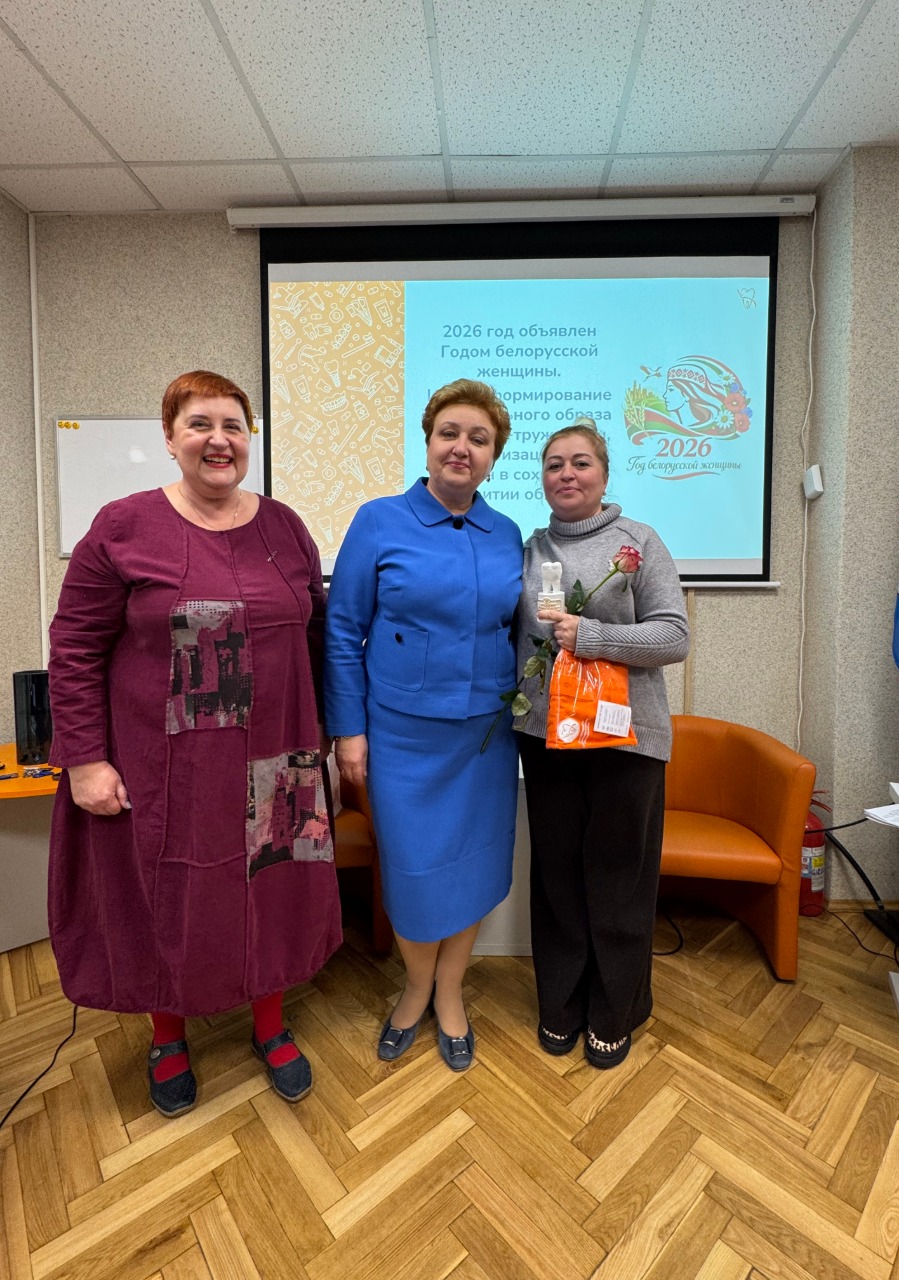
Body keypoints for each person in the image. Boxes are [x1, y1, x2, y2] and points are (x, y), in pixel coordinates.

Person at [47, 370, 342, 1117]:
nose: (219, 439)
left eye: (233, 425)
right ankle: (168, 1035)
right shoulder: (124, 525)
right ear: (170, 437)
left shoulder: (284, 527)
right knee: (168, 892)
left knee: (274, 884)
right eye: (200, 424)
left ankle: (270, 1024)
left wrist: (327, 737)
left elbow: (316, 634)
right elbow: (74, 647)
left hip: (278, 753)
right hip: (169, 760)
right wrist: (83, 759)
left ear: (249, 439)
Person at [324, 378, 522, 1071]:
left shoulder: (507, 534)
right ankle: (414, 988)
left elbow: (520, 628)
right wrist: (349, 731)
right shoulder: (379, 521)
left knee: (473, 865)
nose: (462, 448)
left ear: (494, 456)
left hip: (485, 738)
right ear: (429, 441)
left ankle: (450, 991)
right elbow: (343, 631)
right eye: (450, 433)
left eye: (479, 439)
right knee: (412, 871)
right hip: (402, 738)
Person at [514, 418, 689, 1068]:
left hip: (626, 742)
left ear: (604, 474)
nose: (567, 473)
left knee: (617, 881)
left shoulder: (639, 541)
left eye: (580, 462)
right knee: (557, 879)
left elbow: (673, 637)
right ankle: (560, 1005)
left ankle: (614, 1011)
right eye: (554, 463)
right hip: (548, 739)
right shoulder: (529, 549)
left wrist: (591, 636)